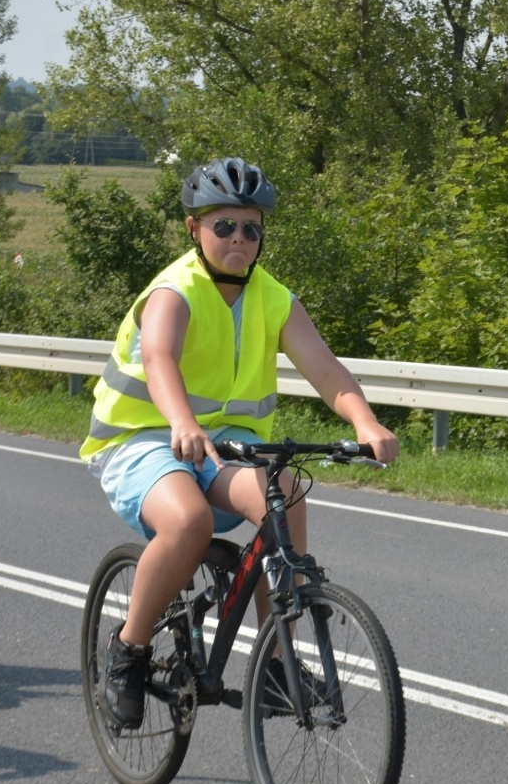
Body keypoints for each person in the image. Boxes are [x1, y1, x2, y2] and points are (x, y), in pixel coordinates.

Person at [80, 157, 400, 730]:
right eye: (223, 225)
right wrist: (182, 422)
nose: (239, 239)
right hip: (143, 439)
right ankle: (127, 653)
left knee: (287, 492)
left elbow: (326, 371)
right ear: (193, 228)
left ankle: (278, 663)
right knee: (188, 523)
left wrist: (365, 422)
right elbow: (158, 360)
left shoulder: (274, 298)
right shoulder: (174, 291)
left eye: (251, 228)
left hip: (222, 446)